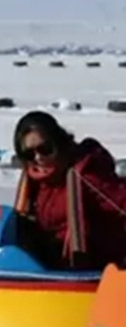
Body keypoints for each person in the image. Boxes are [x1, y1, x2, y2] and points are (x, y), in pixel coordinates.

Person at [13, 110, 126, 270]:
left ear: (58, 143)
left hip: (97, 268)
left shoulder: (86, 174)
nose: (38, 158)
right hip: (51, 264)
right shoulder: (33, 181)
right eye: (29, 153)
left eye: (45, 149)